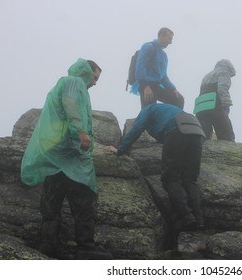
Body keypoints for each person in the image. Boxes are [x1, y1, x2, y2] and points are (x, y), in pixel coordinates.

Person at [21, 58, 112, 259]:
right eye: (94, 77)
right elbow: (70, 103)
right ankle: (85, 247)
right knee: (83, 201)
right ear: (86, 72)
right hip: (70, 154)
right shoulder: (74, 82)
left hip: (55, 156)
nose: (95, 82)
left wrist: (102, 147)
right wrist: (80, 131)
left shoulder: (65, 84)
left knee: (51, 202)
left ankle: (49, 245)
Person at [104, 103, 205, 231]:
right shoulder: (169, 109)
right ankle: (199, 219)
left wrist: (120, 150)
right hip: (196, 131)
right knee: (190, 179)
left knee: (170, 178)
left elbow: (137, 128)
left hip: (177, 129)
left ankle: (187, 217)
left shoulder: (147, 109)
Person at [130, 27, 184, 109]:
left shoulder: (164, 56)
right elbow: (140, 67)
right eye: (169, 39)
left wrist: (174, 89)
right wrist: (145, 86)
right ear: (161, 36)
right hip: (145, 84)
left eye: (171, 39)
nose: (170, 42)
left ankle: (173, 120)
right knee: (149, 110)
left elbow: (163, 77)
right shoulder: (149, 47)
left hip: (156, 85)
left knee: (178, 99)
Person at [194, 59, 236, 141]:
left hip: (201, 107)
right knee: (226, 135)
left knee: (202, 135)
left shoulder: (207, 76)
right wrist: (226, 104)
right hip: (215, 105)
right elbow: (222, 88)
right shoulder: (223, 72)